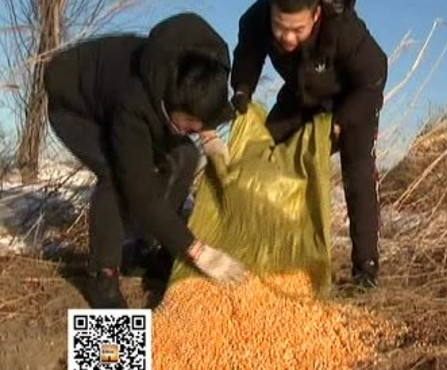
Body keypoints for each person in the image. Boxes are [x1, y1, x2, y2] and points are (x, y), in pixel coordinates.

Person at [44, 12, 246, 309]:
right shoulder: (134, 105)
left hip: (124, 103)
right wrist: (197, 251)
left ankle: (146, 250)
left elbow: (197, 109)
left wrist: (208, 136)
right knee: (115, 175)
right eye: (189, 124)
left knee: (185, 155)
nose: (193, 130)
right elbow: (140, 193)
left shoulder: (202, 65)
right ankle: (103, 276)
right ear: (168, 105)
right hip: (74, 108)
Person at [230, 0, 387, 288]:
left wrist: (338, 124)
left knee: (358, 175)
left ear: (316, 15)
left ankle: (366, 270)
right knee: (262, 154)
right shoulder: (256, 18)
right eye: (280, 27)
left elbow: (373, 77)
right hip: (301, 95)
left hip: (352, 99)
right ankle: (259, 248)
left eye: (297, 30)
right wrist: (242, 89)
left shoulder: (344, 29)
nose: (287, 38)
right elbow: (247, 55)